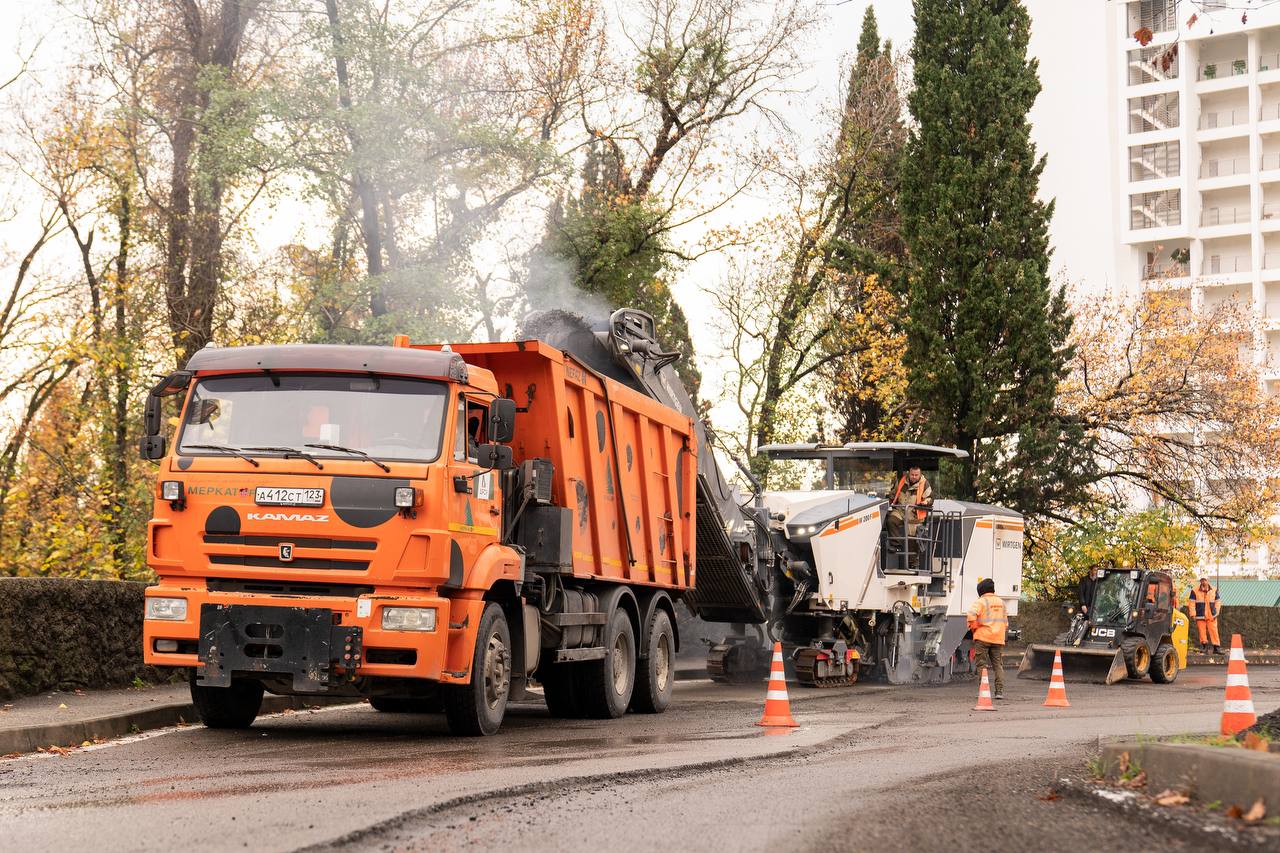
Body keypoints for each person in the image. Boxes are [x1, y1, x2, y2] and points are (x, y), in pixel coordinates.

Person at [966, 578, 1008, 699]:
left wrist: (974, 628)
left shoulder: (981, 602)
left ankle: (984, 690)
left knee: (981, 665)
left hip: (983, 638)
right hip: (998, 639)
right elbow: (1006, 623)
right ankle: (999, 692)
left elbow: (971, 615)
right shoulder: (1002, 603)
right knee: (998, 666)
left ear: (981, 590)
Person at [885, 465, 934, 569]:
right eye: (912, 474)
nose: (914, 477)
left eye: (916, 475)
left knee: (912, 540)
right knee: (891, 520)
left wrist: (925, 502)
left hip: (914, 515)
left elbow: (930, 498)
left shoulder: (925, 484)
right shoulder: (902, 481)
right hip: (900, 511)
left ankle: (913, 564)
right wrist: (888, 500)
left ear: (920, 474)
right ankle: (896, 545)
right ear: (909, 473)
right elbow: (893, 494)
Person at [1186, 577, 1223, 655]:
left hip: (1211, 615)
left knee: (1214, 631)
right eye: (1202, 580)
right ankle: (1204, 647)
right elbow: (1191, 603)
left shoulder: (1214, 590)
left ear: (1207, 581)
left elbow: (1218, 602)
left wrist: (1216, 612)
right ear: (1200, 581)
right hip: (1200, 615)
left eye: (1205, 580)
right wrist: (1193, 614)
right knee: (1202, 631)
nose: (1203, 582)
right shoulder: (1194, 591)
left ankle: (1216, 648)